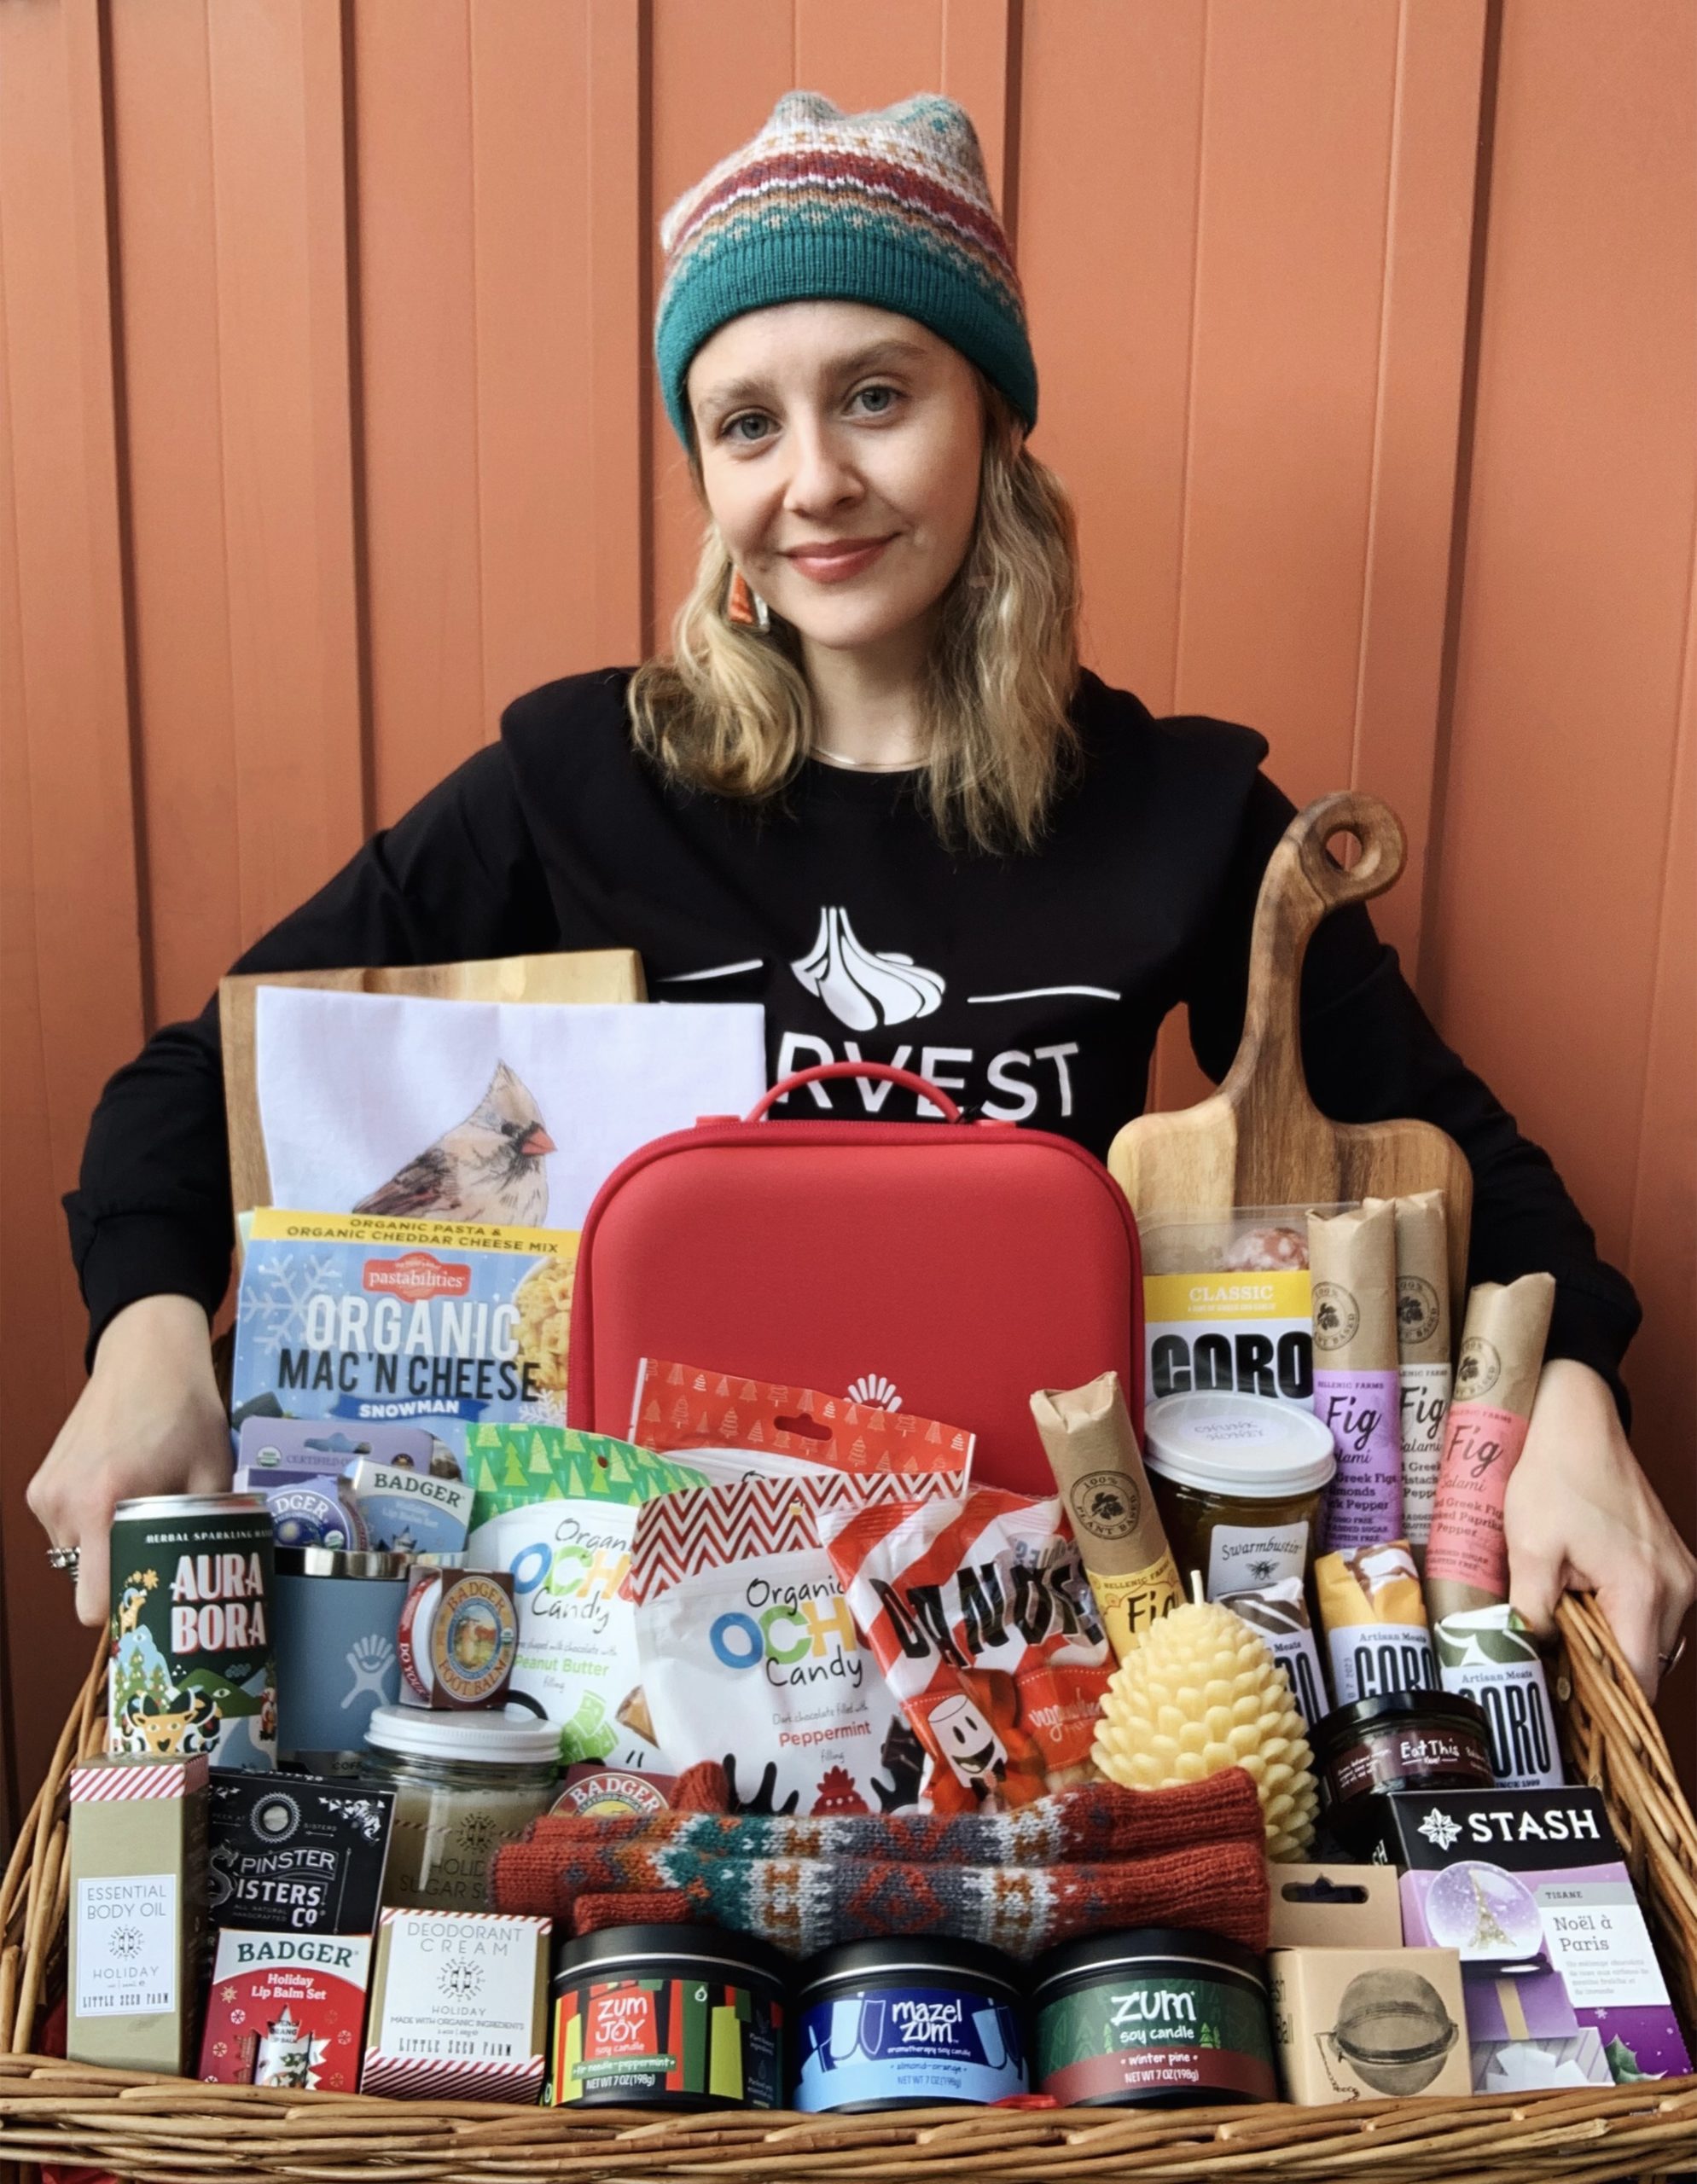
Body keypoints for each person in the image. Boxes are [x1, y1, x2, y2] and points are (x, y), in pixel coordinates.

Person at [28, 91, 1694, 1696]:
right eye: (746, 420)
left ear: (991, 415)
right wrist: (151, 1334)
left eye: (875, 395)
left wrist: (1567, 1399)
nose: (810, 478)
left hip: (1040, 1617)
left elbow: (1484, 1170)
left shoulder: (1178, 814)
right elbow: (191, 1082)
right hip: (645, 1632)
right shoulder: (581, 782)